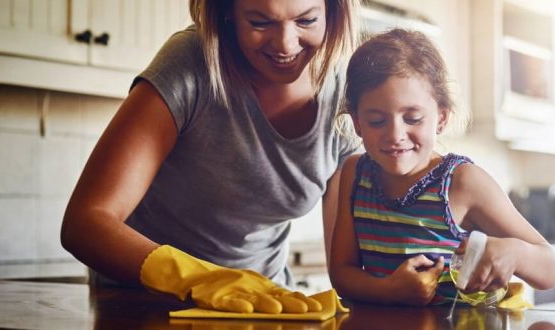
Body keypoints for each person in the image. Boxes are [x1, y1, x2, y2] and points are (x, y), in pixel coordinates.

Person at [61, 0, 361, 314]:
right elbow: (85, 224)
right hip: (147, 307)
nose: (285, 43)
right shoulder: (192, 61)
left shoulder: (345, 93)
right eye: (260, 22)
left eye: (307, 20)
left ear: (334, 11)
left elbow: (346, 265)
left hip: (262, 309)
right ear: (228, 12)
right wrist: (199, 279)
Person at [329, 29, 555, 306]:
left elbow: (552, 269)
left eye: (413, 118)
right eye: (377, 121)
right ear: (357, 122)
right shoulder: (355, 173)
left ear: (441, 118)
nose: (395, 134)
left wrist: (514, 252)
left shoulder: (462, 182)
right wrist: (389, 289)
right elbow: (342, 274)